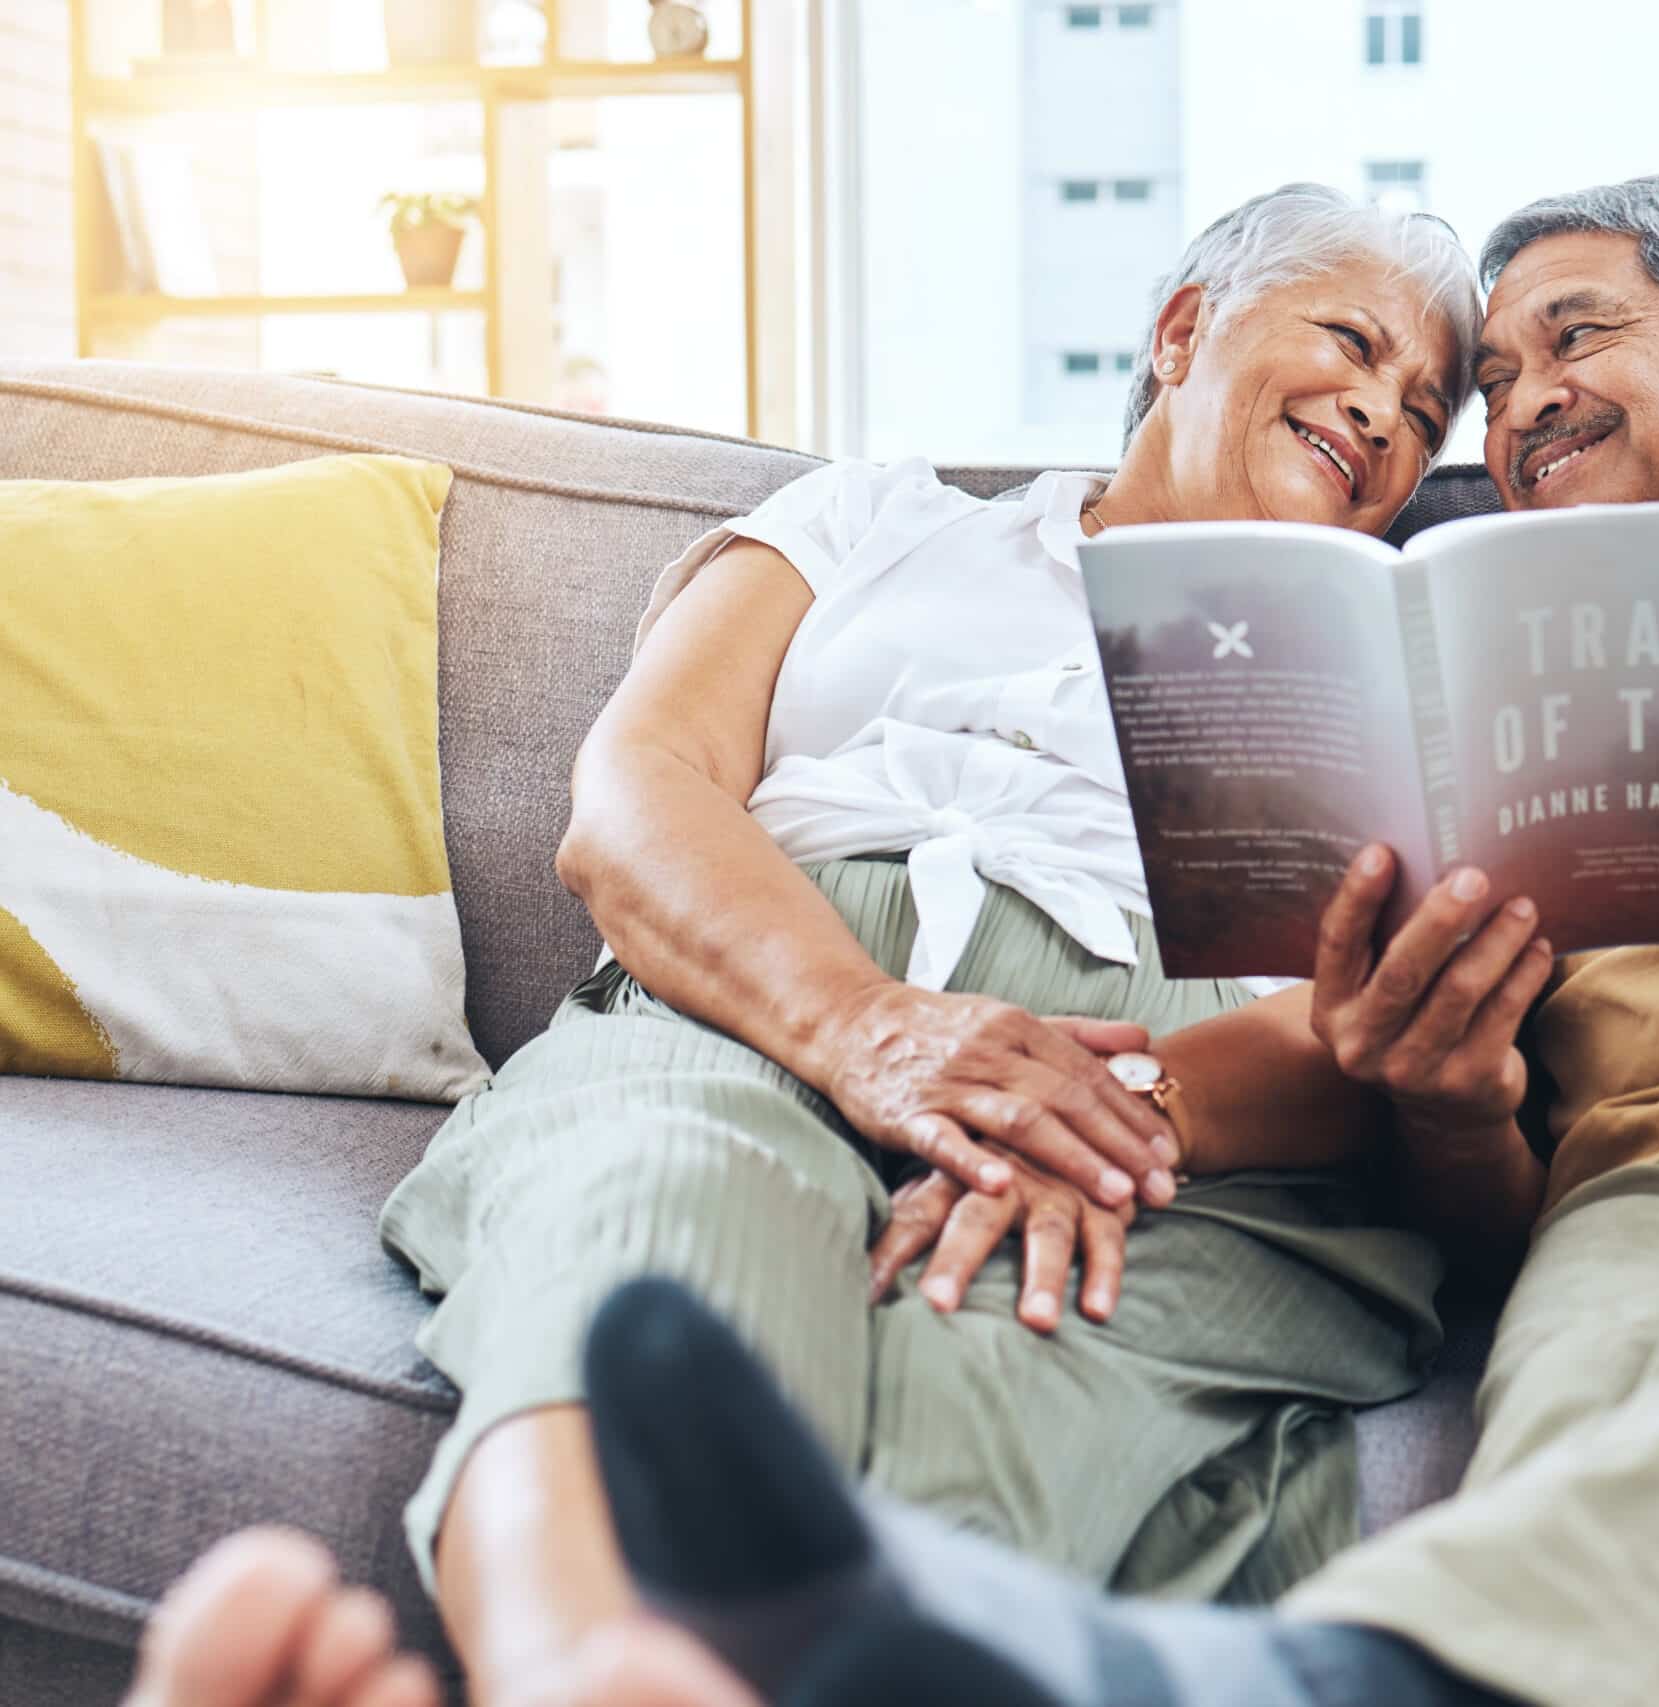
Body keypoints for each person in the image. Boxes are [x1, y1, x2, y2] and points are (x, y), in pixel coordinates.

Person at [122, 172, 1659, 1707]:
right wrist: (956, 1043)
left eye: (1537, 357)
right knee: (688, 1212)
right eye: (1448, 377)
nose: (1480, 415)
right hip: (1584, 1165)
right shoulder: (966, 546)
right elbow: (640, 805)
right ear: (1178, 326)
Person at [116, 181, 1539, 1707]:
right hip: (758, 998)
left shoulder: (1404, 666)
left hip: (1175, 1100)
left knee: (1007, 1353)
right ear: (1184, 329)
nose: (1386, 414)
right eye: (1353, 341)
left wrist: (1134, 1112)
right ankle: (577, 1669)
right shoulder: (877, 519)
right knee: (652, 1213)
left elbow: (1389, 1021)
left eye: (1426, 404)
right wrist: (870, 1025)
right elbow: (635, 795)